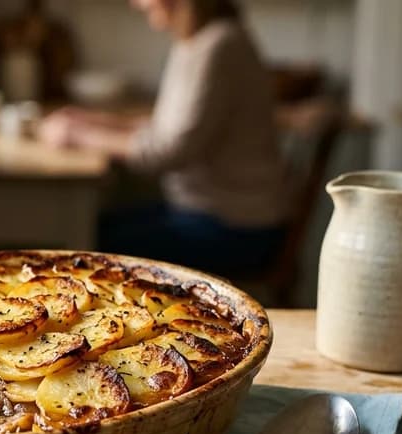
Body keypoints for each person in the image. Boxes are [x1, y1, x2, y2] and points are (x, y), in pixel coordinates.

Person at [38, 0, 286, 276]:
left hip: (235, 228)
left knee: (85, 239)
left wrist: (79, 136)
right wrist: (96, 121)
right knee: (90, 226)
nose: (136, 4)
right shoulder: (199, 41)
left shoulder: (220, 46)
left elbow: (169, 151)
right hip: (206, 214)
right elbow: (166, 127)